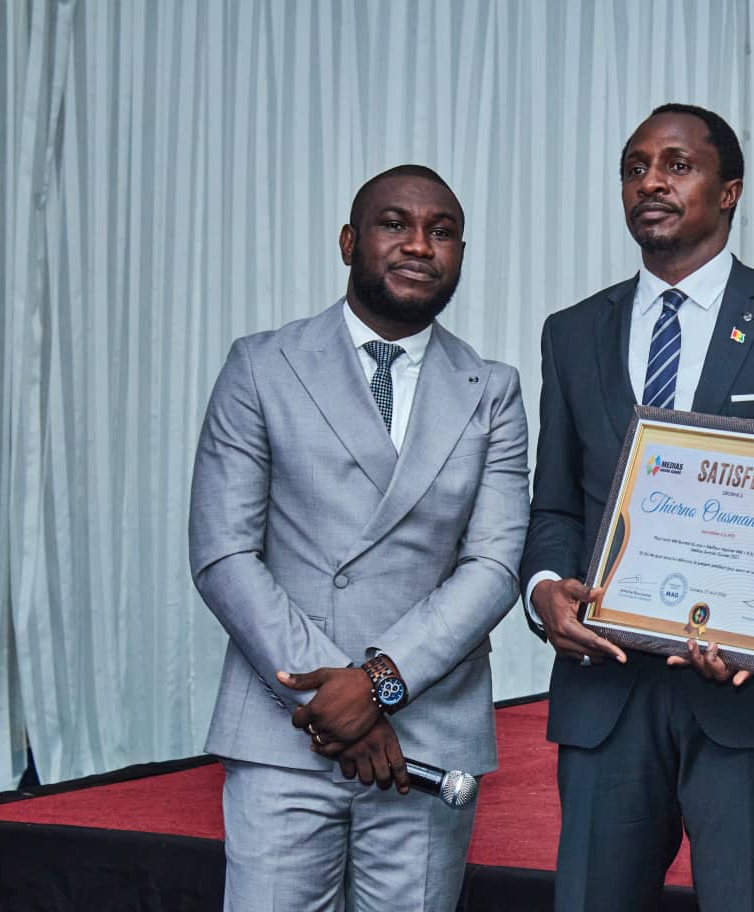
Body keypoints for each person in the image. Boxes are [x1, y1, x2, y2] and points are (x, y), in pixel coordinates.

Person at [520, 104, 754, 911]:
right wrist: (545, 591)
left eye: (676, 165)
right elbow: (554, 507)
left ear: (729, 191)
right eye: (634, 167)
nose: (649, 182)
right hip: (604, 695)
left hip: (750, 706)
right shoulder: (571, 333)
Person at [189, 164, 530, 912]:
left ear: (461, 254)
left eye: (441, 232)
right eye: (394, 224)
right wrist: (332, 698)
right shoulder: (261, 365)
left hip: (427, 734)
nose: (419, 245)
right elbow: (223, 553)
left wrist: (376, 685)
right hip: (285, 728)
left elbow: (495, 566)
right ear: (349, 242)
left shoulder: (493, 390)